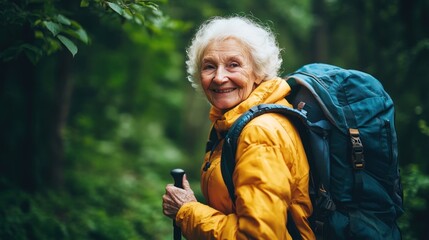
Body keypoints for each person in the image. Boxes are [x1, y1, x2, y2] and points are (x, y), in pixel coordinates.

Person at [162, 15, 315, 239]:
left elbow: (257, 236)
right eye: (209, 66)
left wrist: (188, 212)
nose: (219, 77)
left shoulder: (259, 132)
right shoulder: (231, 123)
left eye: (233, 64)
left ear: (258, 72)